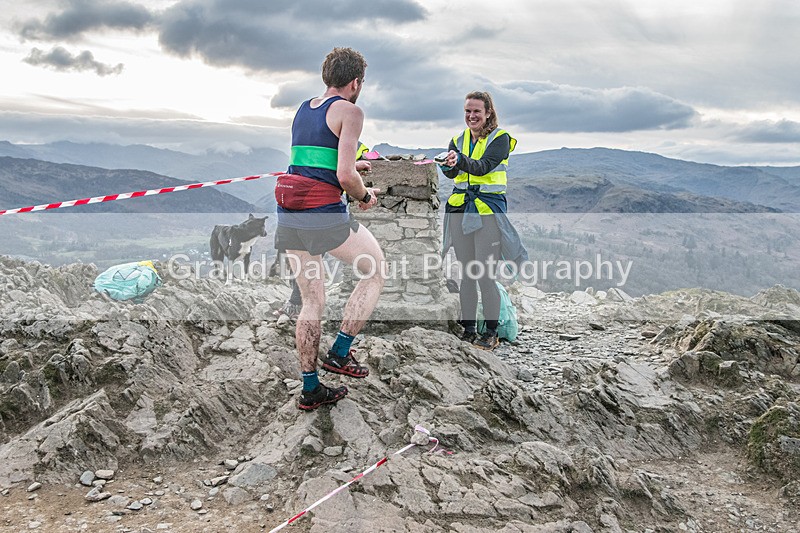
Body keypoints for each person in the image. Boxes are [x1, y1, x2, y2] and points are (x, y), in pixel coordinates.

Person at [274, 47, 385, 411]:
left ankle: (310, 389)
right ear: (356, 82)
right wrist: (364, 195)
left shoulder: (305, 108)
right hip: (323, 214)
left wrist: (354, 170)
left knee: (311, 301)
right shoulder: (351, 110)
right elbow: (342, 175)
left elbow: (317, 158)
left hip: (290, 213)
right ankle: (339, 353)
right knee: (375, 271)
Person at [439, 91, 517, 350]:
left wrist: (459, 160)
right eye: (467, 111)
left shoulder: (500, 139)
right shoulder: (457, 139)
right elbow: (454, 174)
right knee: (467, 273)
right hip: (461, 209)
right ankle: (469, 328)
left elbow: (483, 166)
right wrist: (448, 165)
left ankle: (491, 332)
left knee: (484, 273)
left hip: (487, 211)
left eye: (477, 112)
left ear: (488, 113)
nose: (471, 116)